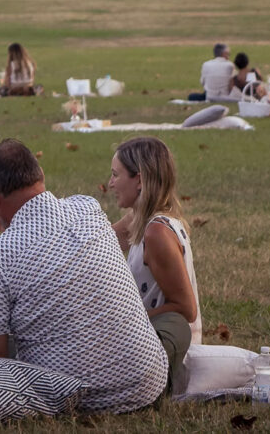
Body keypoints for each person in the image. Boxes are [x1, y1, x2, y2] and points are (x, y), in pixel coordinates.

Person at [0, 140, 167, 414]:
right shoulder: (87, 209)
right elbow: (44, 241)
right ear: (40, 175)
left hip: (78, 400)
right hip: (148, 381)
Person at [107, 138, 200, 394]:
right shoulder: (139, 218)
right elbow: (92, 244)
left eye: (116, 175)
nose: (111, 183)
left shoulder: (156, 232)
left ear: (139, 180)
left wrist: (122, 322)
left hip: (165, 353)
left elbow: (186, 309)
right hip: (149, 341)